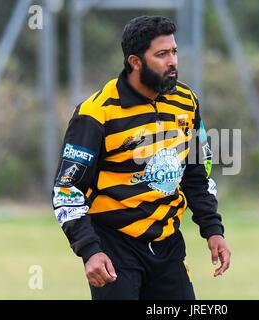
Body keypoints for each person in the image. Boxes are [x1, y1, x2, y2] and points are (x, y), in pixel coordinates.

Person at [52, 15, 230, 300]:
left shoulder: (187, 101)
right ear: (135, 62)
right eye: (161, 54)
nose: (172, 61)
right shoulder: (96, 113)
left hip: (168, 245)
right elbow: (66, 189)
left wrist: (213, 230)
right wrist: (90, 250)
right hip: (115, 247)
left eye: (174, 52)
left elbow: (196, 174)